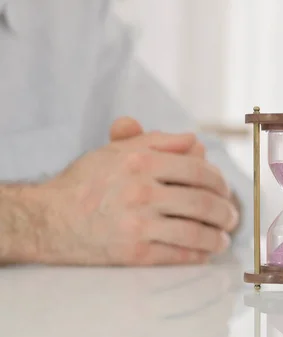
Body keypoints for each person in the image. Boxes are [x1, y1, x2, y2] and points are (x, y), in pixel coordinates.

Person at [0, 1, 253, 265]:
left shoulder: (71, 16)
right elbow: (63, 213)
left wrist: (181, 195)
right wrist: (45, 219)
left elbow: (223, 174)